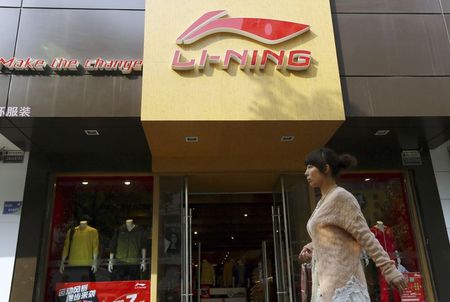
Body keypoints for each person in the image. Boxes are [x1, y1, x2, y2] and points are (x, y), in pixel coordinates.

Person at [298, 148, 407, 302]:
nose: (306, 172)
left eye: (310, 167)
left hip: (344, 288)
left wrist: (389, 270)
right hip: (326, 286)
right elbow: (335, 236)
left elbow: (365, 236)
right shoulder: (322, 202)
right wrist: (312, 246)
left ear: (326, 168)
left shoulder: (341, 197)